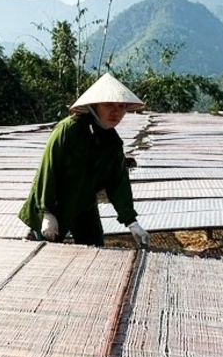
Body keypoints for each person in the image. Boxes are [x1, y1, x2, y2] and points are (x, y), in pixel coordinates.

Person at [19, 73, 150, 248]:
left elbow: (119, 183)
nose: (115, 112)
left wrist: (131, 222)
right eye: (109, 105)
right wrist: (47, 212)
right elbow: (47, 171)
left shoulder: (113, 142)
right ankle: (35, 234)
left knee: (95, 248)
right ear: (95, 106)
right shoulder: (68, 130)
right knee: (43, 253)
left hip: (84, 205)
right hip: (54, 201)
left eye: (121, 106)